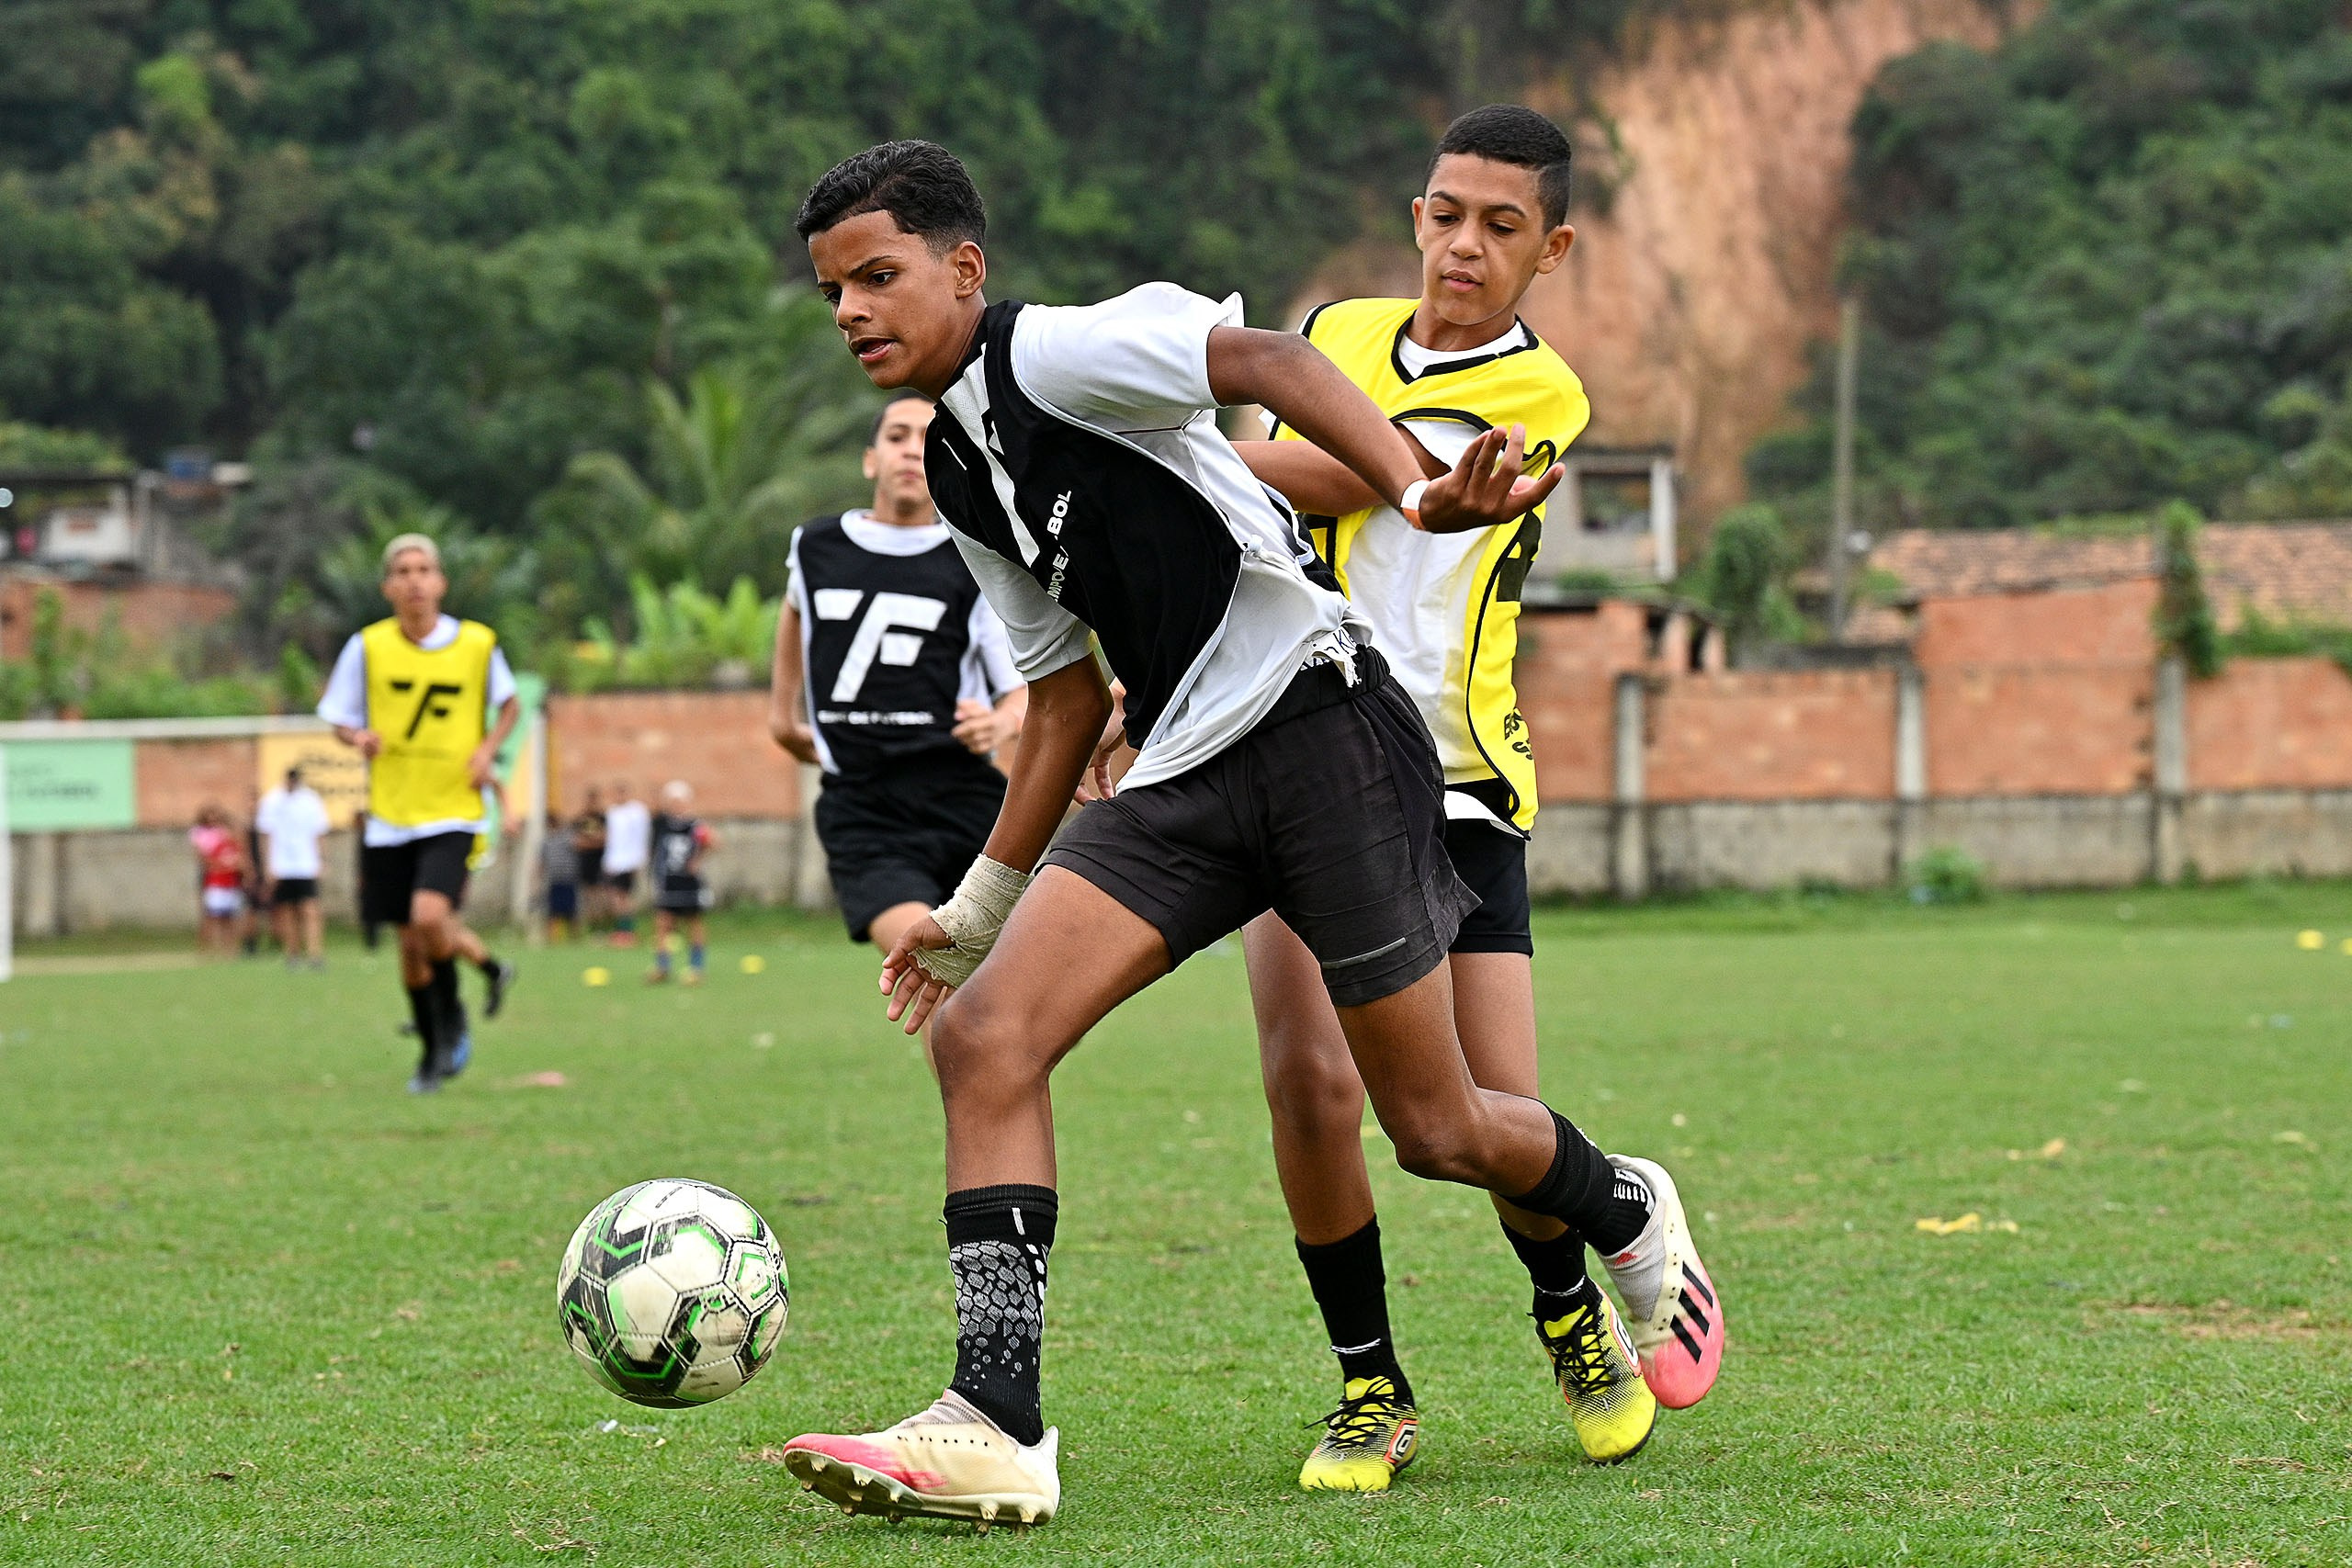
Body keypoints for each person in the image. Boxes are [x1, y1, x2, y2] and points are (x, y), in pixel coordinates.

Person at [775, 140, 1718, 1528]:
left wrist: (1409, 486)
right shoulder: (970, 476)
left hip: (1324, 730)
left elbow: (1271, 361)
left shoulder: (1061, 354)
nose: (852, 310)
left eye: (878, 276)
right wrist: (977, 908)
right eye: (832, 292)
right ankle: (995, 1419)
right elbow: (1061, 700)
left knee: (1439, 1126)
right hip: (1183, 770)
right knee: (986, 1036)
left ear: (963, 268)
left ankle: (1620, 1205)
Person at [768, 390, 1027, 982]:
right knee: (933, 966)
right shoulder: (815, 547)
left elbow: (1019, 692)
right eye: (897, 436)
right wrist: (782, 720)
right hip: (866, 808)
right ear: (870, 459)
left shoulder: (973, 557)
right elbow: (795, 614)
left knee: (996, 994)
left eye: (927, 441)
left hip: (964, 796)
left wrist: (1000, 722)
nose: (912, 451)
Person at [319, 533, 523, 1093]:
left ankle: (451, 1011)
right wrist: (356, 735)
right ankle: (433, 1052)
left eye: (424, 569)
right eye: (403, 571)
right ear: (388, 587)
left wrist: (486, 750)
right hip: (389, 813)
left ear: (441, 582)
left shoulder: (478, 644)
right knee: (409, 945)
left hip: (453, 810)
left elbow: (510, 704)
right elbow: (337, 716)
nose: (414, 580)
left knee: (431, 918)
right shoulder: (367, 647)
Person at [256, 764, 332, 968]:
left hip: (306, 863)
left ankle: (315, 954)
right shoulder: (271, 801)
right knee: (287, 911)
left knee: (310, 909)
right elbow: (266, 834)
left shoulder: (311, 800)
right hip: (282, 864)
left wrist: (323, 859)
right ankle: (293, 953)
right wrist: (267, 866)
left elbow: (320, 832)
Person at [645, 781, 716, 985]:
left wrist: (698, 860)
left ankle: (697, 967)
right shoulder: (663, 824)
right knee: (662, 923)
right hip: (668, 881)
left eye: (679, 801)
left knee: (694, 923)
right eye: (672, 801)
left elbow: (713, 841)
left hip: (689, 883)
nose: (676, 805)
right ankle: (662, 967)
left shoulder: (695, 825)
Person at [189, 806, 245, 957]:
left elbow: (240, 863)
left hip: (231, 884)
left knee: (229, 919)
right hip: (216, 884)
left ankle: (230, 950)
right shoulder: (213, 845)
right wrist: (224, 865)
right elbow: (209, 862)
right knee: (211, 917)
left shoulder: (233, 845)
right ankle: (206, 950)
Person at [601, 781, 650, 947]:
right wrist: (608, 860)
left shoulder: (637, 812)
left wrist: (639, 860)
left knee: (624, 898)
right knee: (615, 898)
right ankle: (621, 931)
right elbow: (611, 839)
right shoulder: (612, 812)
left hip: (629, 861)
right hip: (614, 861)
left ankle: (627, 932)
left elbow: (641, 837)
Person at [541, 809, 582, 942]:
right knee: (553, 912)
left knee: (572, 911)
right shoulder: (546, 841)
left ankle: (574, 939)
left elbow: (579, 846)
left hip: (568, 879)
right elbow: (542, 861)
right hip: (555, 879)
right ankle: (552, 939)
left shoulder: (567, 837)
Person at [571, 787, 607, 933]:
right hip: (585, 863)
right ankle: (592, 928)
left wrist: (590, 842)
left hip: (600, 862)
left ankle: (602, 928)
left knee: (600, 896)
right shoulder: (580, 819)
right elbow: (576, 842)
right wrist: (594, 841)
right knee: (587, 897)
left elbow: (605, 840)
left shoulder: (603, 819)